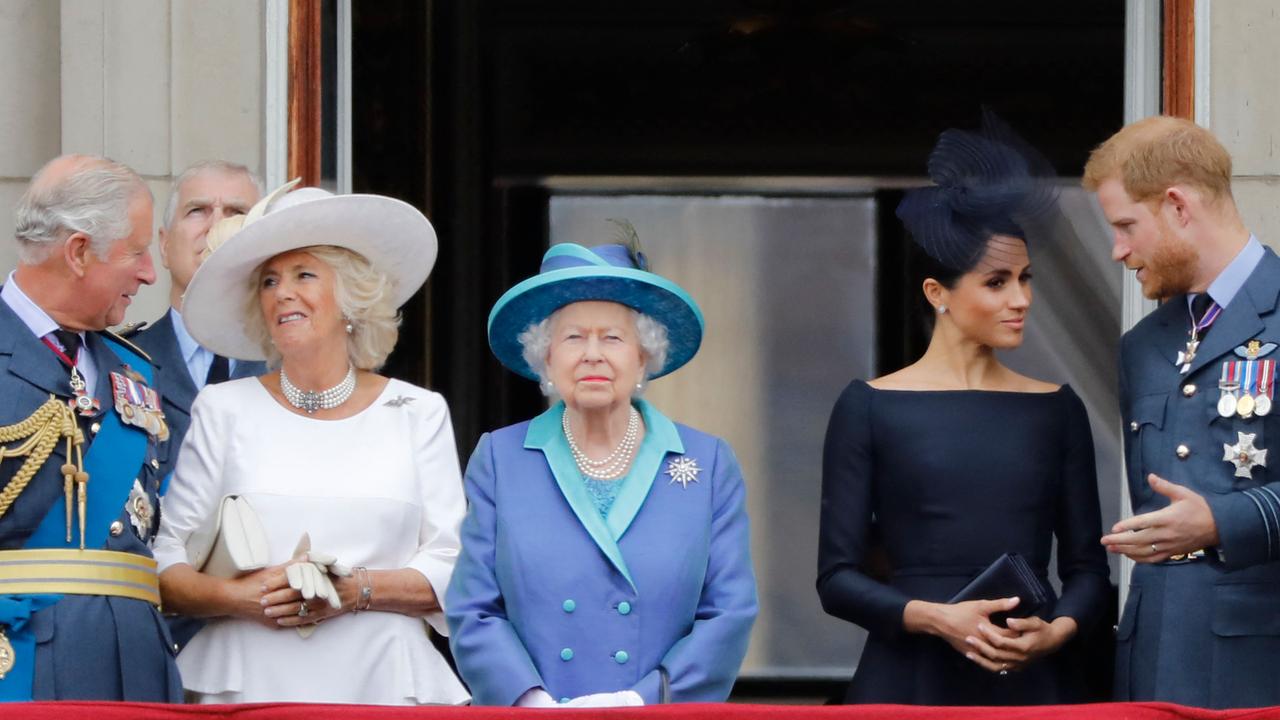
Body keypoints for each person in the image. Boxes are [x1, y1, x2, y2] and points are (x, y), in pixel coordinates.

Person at [817, 114, 1110, 705]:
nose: (1021, 299)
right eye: (997, 282)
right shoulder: (869, 406)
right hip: (910, 678)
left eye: (1026, 279)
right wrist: (934, 617)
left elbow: (1089, 571)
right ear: (938, 294)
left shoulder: (1056, 409)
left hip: (1033, 679)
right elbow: (836, 580)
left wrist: (1056, 632)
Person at [150, 183, 469, 705]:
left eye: (304, 275)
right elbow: (164, 558)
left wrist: (354, 591)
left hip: (382, 681)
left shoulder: (418, 412)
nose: (282, 293)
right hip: (245, 682)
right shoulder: (223, 407)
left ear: (351, 297)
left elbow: (452, 566)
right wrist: (238, 597)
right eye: (269, 281)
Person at [446, 238, 758, 707]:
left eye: (612, 337)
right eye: (573, 337)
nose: (592, 354)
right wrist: (530, 702)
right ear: (546, 359)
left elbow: (729, 612)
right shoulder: (501, 458)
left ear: (643, 357)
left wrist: (639, 702)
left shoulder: (708, 462)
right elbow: (474, 608)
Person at [1087, 116, 1280, 709]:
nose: (1119, 250)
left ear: (1176, 206)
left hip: (1258, 660)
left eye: (1126, 226)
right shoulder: (1144, 344)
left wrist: (1224, 521)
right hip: (1152, 656)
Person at [0, 154, 181, 701]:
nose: (150, 272)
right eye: (136, 252)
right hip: (22, 660)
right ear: (79, 252)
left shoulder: (136, 370)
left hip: (136, 664)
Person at [134, 160, 267, 485]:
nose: (215, 228)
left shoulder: (295, 364)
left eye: (236, 213)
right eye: (198, 211)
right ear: (164, 246)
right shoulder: (121, 363)